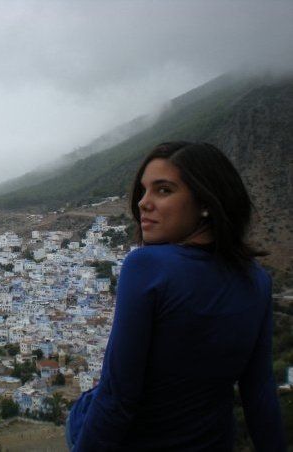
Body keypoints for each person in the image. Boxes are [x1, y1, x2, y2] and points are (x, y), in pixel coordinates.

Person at [66, 142, 286, 451]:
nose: (144, 203)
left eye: (164, 190)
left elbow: (117, 398)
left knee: (82, 410)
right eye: (143, 191)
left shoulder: (147, 267)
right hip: (212, 443)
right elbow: (260, 393)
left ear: (206, 201)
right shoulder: (258, 279)